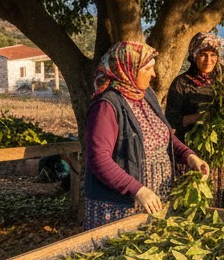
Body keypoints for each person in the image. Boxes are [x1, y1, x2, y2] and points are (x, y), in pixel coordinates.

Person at [84, 41, 209, 231]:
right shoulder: (107, 106)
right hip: (122, 205)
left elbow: (164, 135)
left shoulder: (146, 95)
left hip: (153, 200)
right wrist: (138, 190)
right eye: (148, 69)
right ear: (129, 69)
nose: (154, 74)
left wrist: (190, 156)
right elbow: (99, 160)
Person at [165, 31, 224, 210]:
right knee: (198, 202)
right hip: (195, 152)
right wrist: (201, 117)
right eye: (202, 54)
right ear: (193, 55)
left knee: (223, 200)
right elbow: (172, 123)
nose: (208, 60)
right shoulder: (181, 84)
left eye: (212, 55)